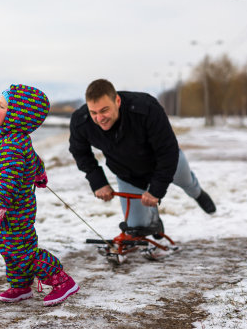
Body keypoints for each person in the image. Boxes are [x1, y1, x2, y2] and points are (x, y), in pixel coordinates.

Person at [69, 79, 216, 238]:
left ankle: (198, 193)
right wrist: (98, 182)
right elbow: (80, 152)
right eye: (94, 112)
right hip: (128, 173)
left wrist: (156, 190)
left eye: (104, 110)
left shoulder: (146, 108)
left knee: (187, 183)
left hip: (165, 162)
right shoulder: (81, 121)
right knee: (137, 226)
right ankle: (154, 221)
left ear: (117, 101)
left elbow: (167, 151)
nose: (99, 118)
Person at [0, 84, 79, 306]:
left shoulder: (12, 145)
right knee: (9, 247)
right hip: (13, 210)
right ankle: (20, 286)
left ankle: (62, 282)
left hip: (13, 209)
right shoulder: (15, 138)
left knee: (22, 251)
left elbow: (9, 180)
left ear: (17, 116)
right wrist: (38, 172)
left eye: (2, 106)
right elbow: (32, 158)